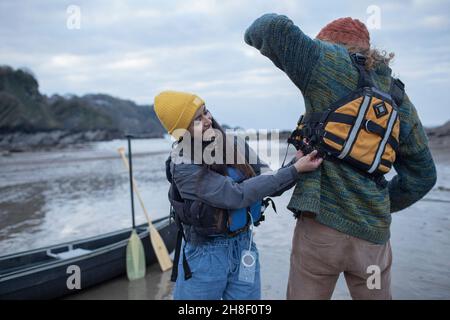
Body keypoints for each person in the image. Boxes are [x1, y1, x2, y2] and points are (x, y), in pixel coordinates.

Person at [245, 14, 437, 299]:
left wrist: (314, 49)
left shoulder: (326, 61)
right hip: (372, 238)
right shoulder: (397, 96)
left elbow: (266, 28)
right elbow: (424, 175)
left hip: (321, 229)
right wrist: (380, 205)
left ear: (330, 44)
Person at [153, 90, 322, 300]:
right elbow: (236, 195)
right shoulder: (183, 165)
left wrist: (295, 164)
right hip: (206, 255)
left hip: (245, 248)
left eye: (206, 112)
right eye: (197, 119)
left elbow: (270, 182)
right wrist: (294, 170)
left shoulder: (235, 144)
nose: (207, 120)